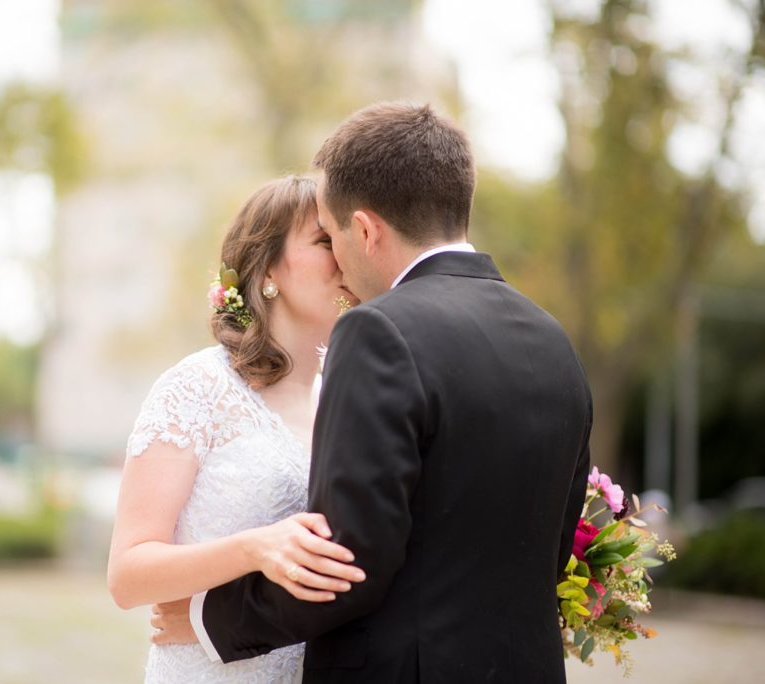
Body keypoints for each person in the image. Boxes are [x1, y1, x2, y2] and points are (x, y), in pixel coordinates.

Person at [156, 102, 593, 683]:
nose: (336, 257)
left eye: (333, 235)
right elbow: (553, 544)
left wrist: (209, 621)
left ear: (364, 229)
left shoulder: (379, 331)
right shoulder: (551, 339)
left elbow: (350, 564)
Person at [107, 175, 365, 683]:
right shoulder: (197, 387)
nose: (343, 255)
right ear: (268, 267)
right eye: (323, 240)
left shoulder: (345, 395)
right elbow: (127, 575)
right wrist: (254, 548)